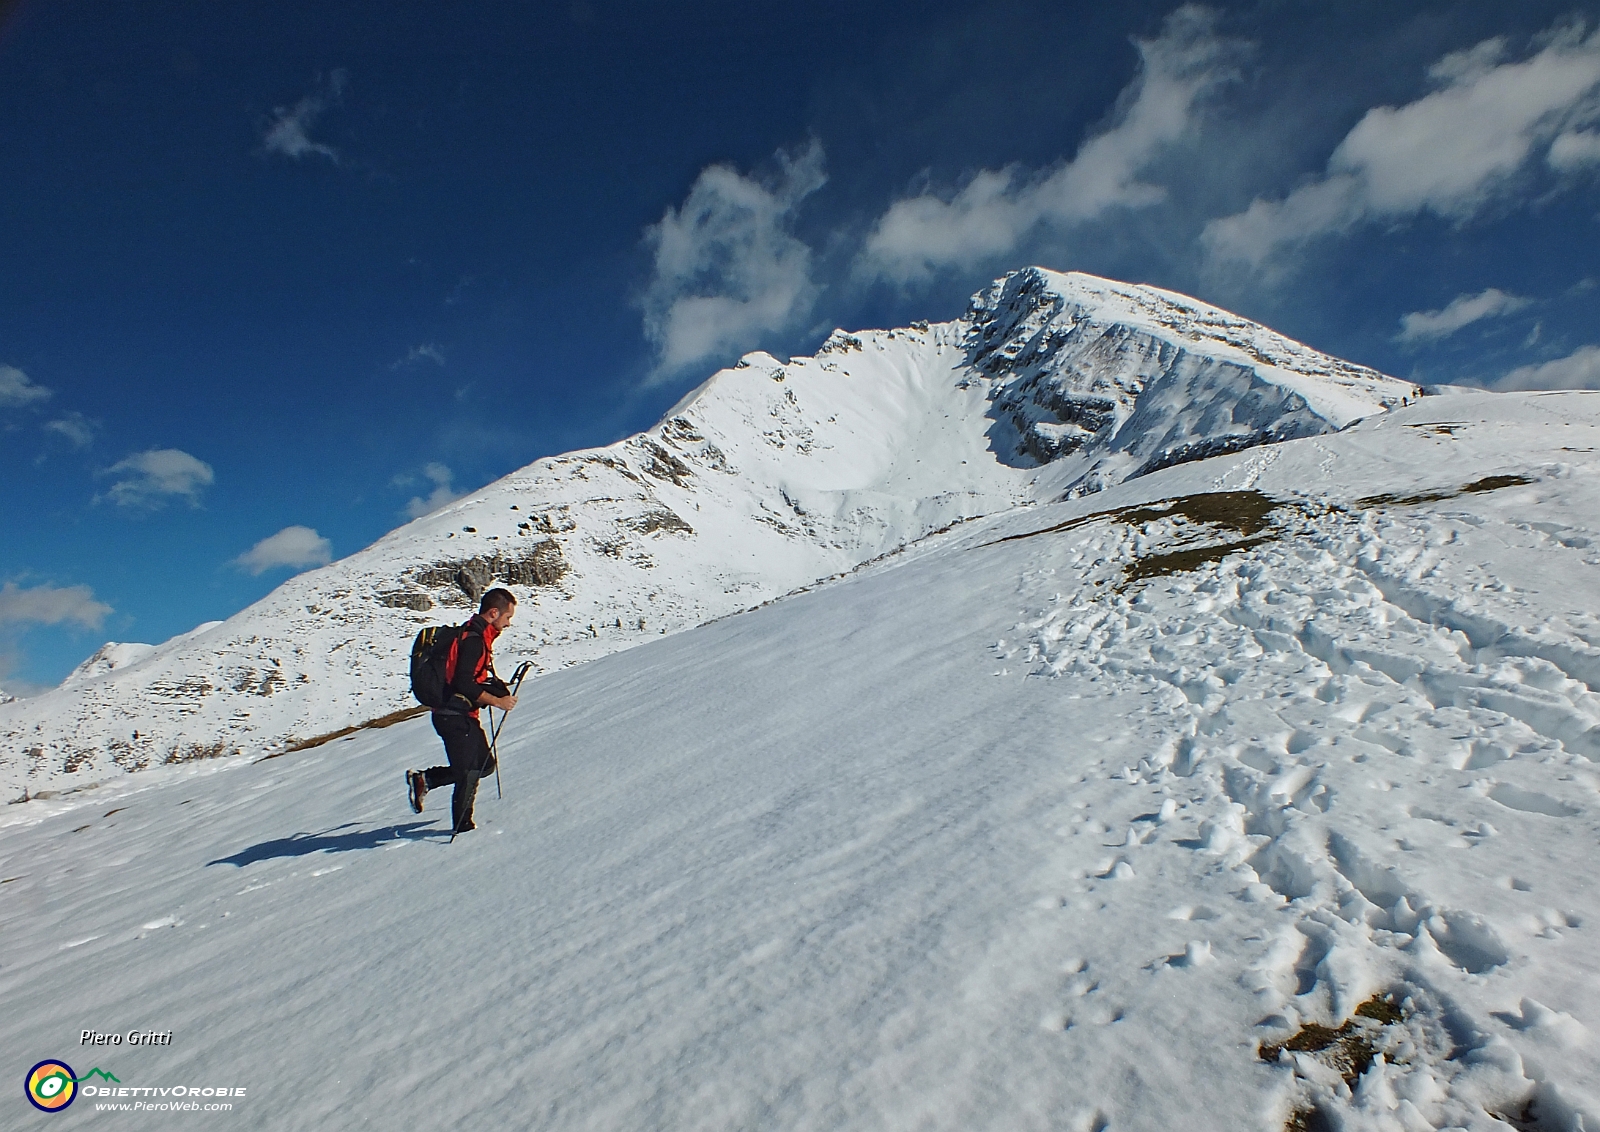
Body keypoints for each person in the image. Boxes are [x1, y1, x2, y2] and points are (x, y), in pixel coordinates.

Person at [406, 588, 519, 833]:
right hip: (452, 716)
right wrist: (497, 701)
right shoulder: (475, 640)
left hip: (460, 714)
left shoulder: (475, 634)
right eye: (507, 617)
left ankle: (427, 779)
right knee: (468, 773)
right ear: (494, 612)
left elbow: (468, 679)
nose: (508, 623)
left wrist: (494, 689)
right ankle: (463, 829)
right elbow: (463, 683)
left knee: (485, 766)